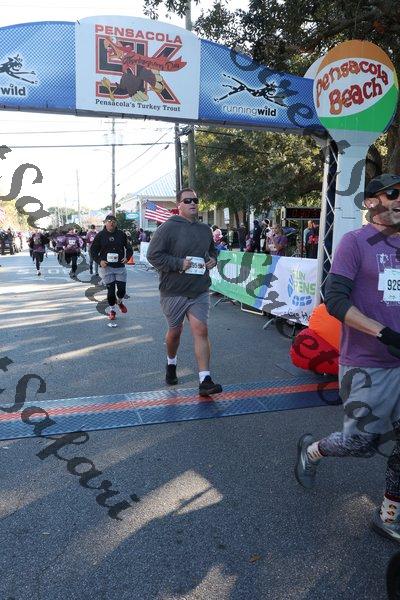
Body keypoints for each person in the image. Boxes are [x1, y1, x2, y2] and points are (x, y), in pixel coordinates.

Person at [294, 173, 400, 543]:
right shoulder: (356, 242)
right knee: (360, 444)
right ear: (371, 202)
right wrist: (384, 333)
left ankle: (389, 512)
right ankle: (312, 451)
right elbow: (336, 300)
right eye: (393, 193)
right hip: (367, 362)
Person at [147, 188, 222, 396]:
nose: (193, 203)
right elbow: (153, 255)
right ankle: (171, 363)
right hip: (174, 290)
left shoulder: (205, 229)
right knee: (175, 331)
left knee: (201, 330)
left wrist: (212, 260)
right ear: (178, 205)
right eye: (187, 200)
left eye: (195, 200)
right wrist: (179, 263)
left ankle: (205, 380)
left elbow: (211, 251)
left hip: (199, 289)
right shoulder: (167, 228)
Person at [90, 214, 133, 321]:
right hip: (106, 268)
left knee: (122, 291)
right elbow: (93, 251)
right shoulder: (100, 235)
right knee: (111, 291)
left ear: (116, 223)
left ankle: (120, 301)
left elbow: (129, 248)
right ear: (105, 223)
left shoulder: (121, 234)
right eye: (109, 221)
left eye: (113, 221)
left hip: (119, 267)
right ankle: (112, 310)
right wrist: (99, 261)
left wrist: (127, 258)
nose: (111, 223)